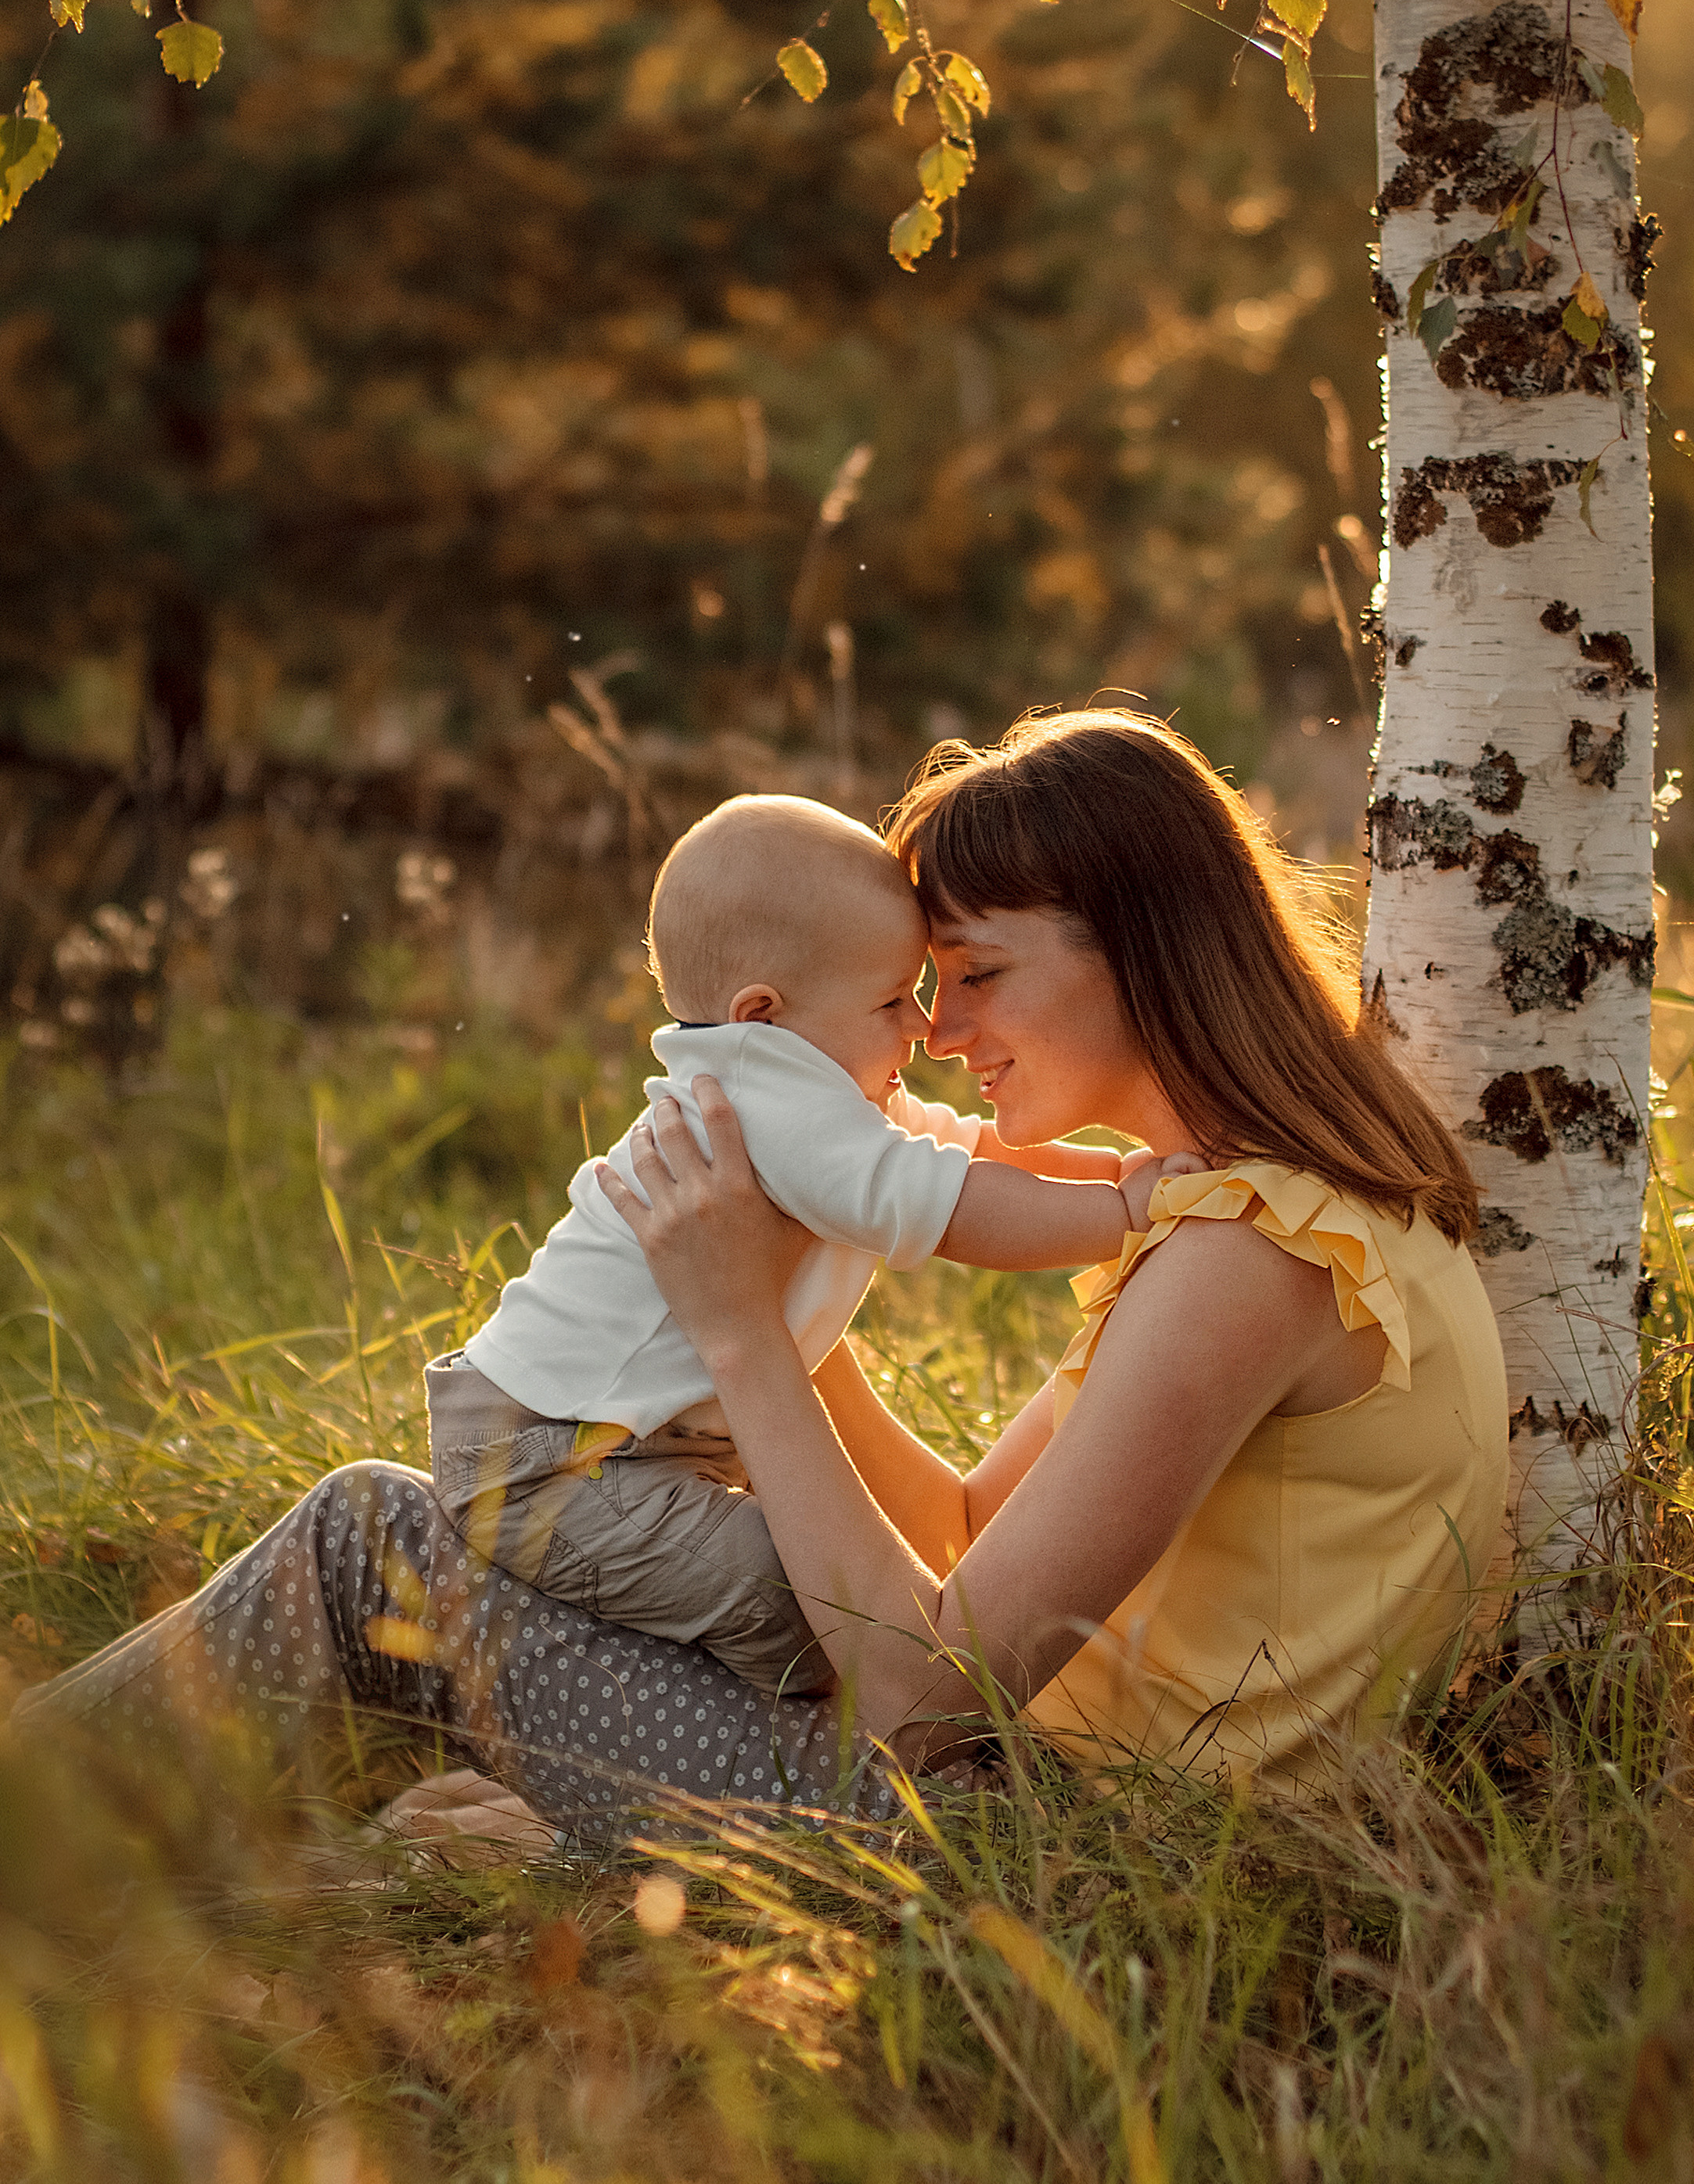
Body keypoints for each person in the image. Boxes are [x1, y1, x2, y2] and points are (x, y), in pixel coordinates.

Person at [14, 711, 1509, 1841]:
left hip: (1031, 1845)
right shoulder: (1265, 1214)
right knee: (432, 1538)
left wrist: (736, 1330)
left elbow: (926, 1694)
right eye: (921, 986)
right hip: (1021, 1792)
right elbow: (969, 1540)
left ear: (1137, 943)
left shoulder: (1250, 1255)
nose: (936, 1033)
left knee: (367, 1544)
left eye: (975, 974)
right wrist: (766, 1294)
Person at [428, 792, 1163, 1695]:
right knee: (817, 1607)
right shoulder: (765, 1097)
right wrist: (1123, 1215)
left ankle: (568, 1689)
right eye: (893, 999)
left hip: (602, 1443)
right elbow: (942, 1202)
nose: (923, 1027)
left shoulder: (797, 1086)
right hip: (552, 1460)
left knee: (812, 1580)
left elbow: (966, 1149)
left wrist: (1118, 1168)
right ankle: (579, 1710)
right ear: (764, 1015)